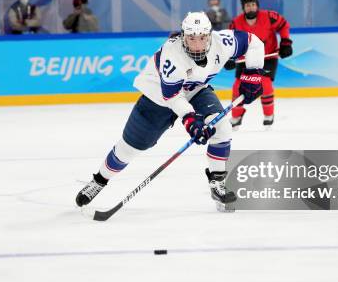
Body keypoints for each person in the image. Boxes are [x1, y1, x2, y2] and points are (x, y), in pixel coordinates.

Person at [75, 11, 265, 210]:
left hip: (196, 91)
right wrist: (191, 120)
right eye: (191, 38)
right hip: (157, 97)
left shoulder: (222, 42)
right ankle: (99, 181)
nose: (197, 44)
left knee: (222, 127)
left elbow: (254, 42)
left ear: (210, 35)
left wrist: (253, 74)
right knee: (128, 148)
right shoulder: (172, 56)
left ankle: (217, 184)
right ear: (183, 37)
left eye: (202, 38)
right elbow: (173, 97)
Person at [225, 0, 293, 129]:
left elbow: (284, 25)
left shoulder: (269, 17)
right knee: (237, 86)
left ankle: (269, 115)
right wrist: (230, 57)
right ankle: (236, 116)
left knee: (265, 83)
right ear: (243, 8)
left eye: (253, 4)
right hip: (246, 60)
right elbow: (230, 42)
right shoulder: (235, 23)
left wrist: (285, 42)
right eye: (247, 5)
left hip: (267, 57)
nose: (250, 7)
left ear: (257, 6)